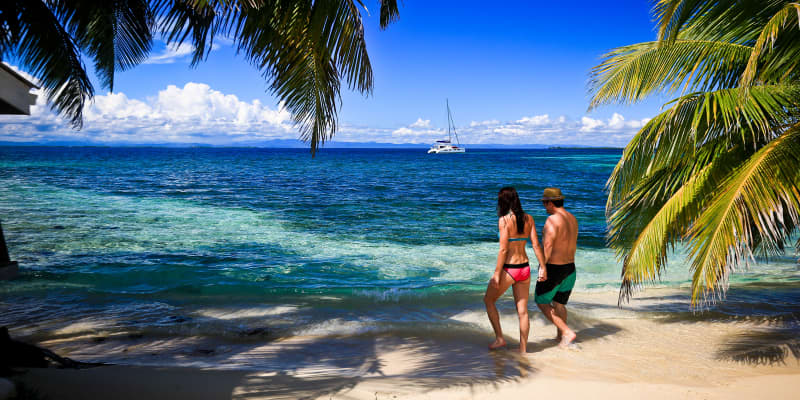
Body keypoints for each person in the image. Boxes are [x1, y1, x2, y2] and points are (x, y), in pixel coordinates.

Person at [484, 187, 547, 353]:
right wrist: (543, 267)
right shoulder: (529, 218)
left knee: (488, 300)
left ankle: (500, 338)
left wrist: (497, 274)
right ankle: (523, 349)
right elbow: (535, 245)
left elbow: (503, 250)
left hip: (510, 269)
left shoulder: (504, 221)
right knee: (523, 311)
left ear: (503, 202)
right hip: (524, 269)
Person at [534, 187, 578, 347]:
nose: (544, 206)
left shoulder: (552, 220)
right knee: (559, 303)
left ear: (551, 202)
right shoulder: (572, 218)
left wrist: (542, 268)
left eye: (544, 203)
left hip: (554, 269)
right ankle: (561, 338)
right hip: (570, 268)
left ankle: (566, 331)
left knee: (541, 301)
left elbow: (547, 246)